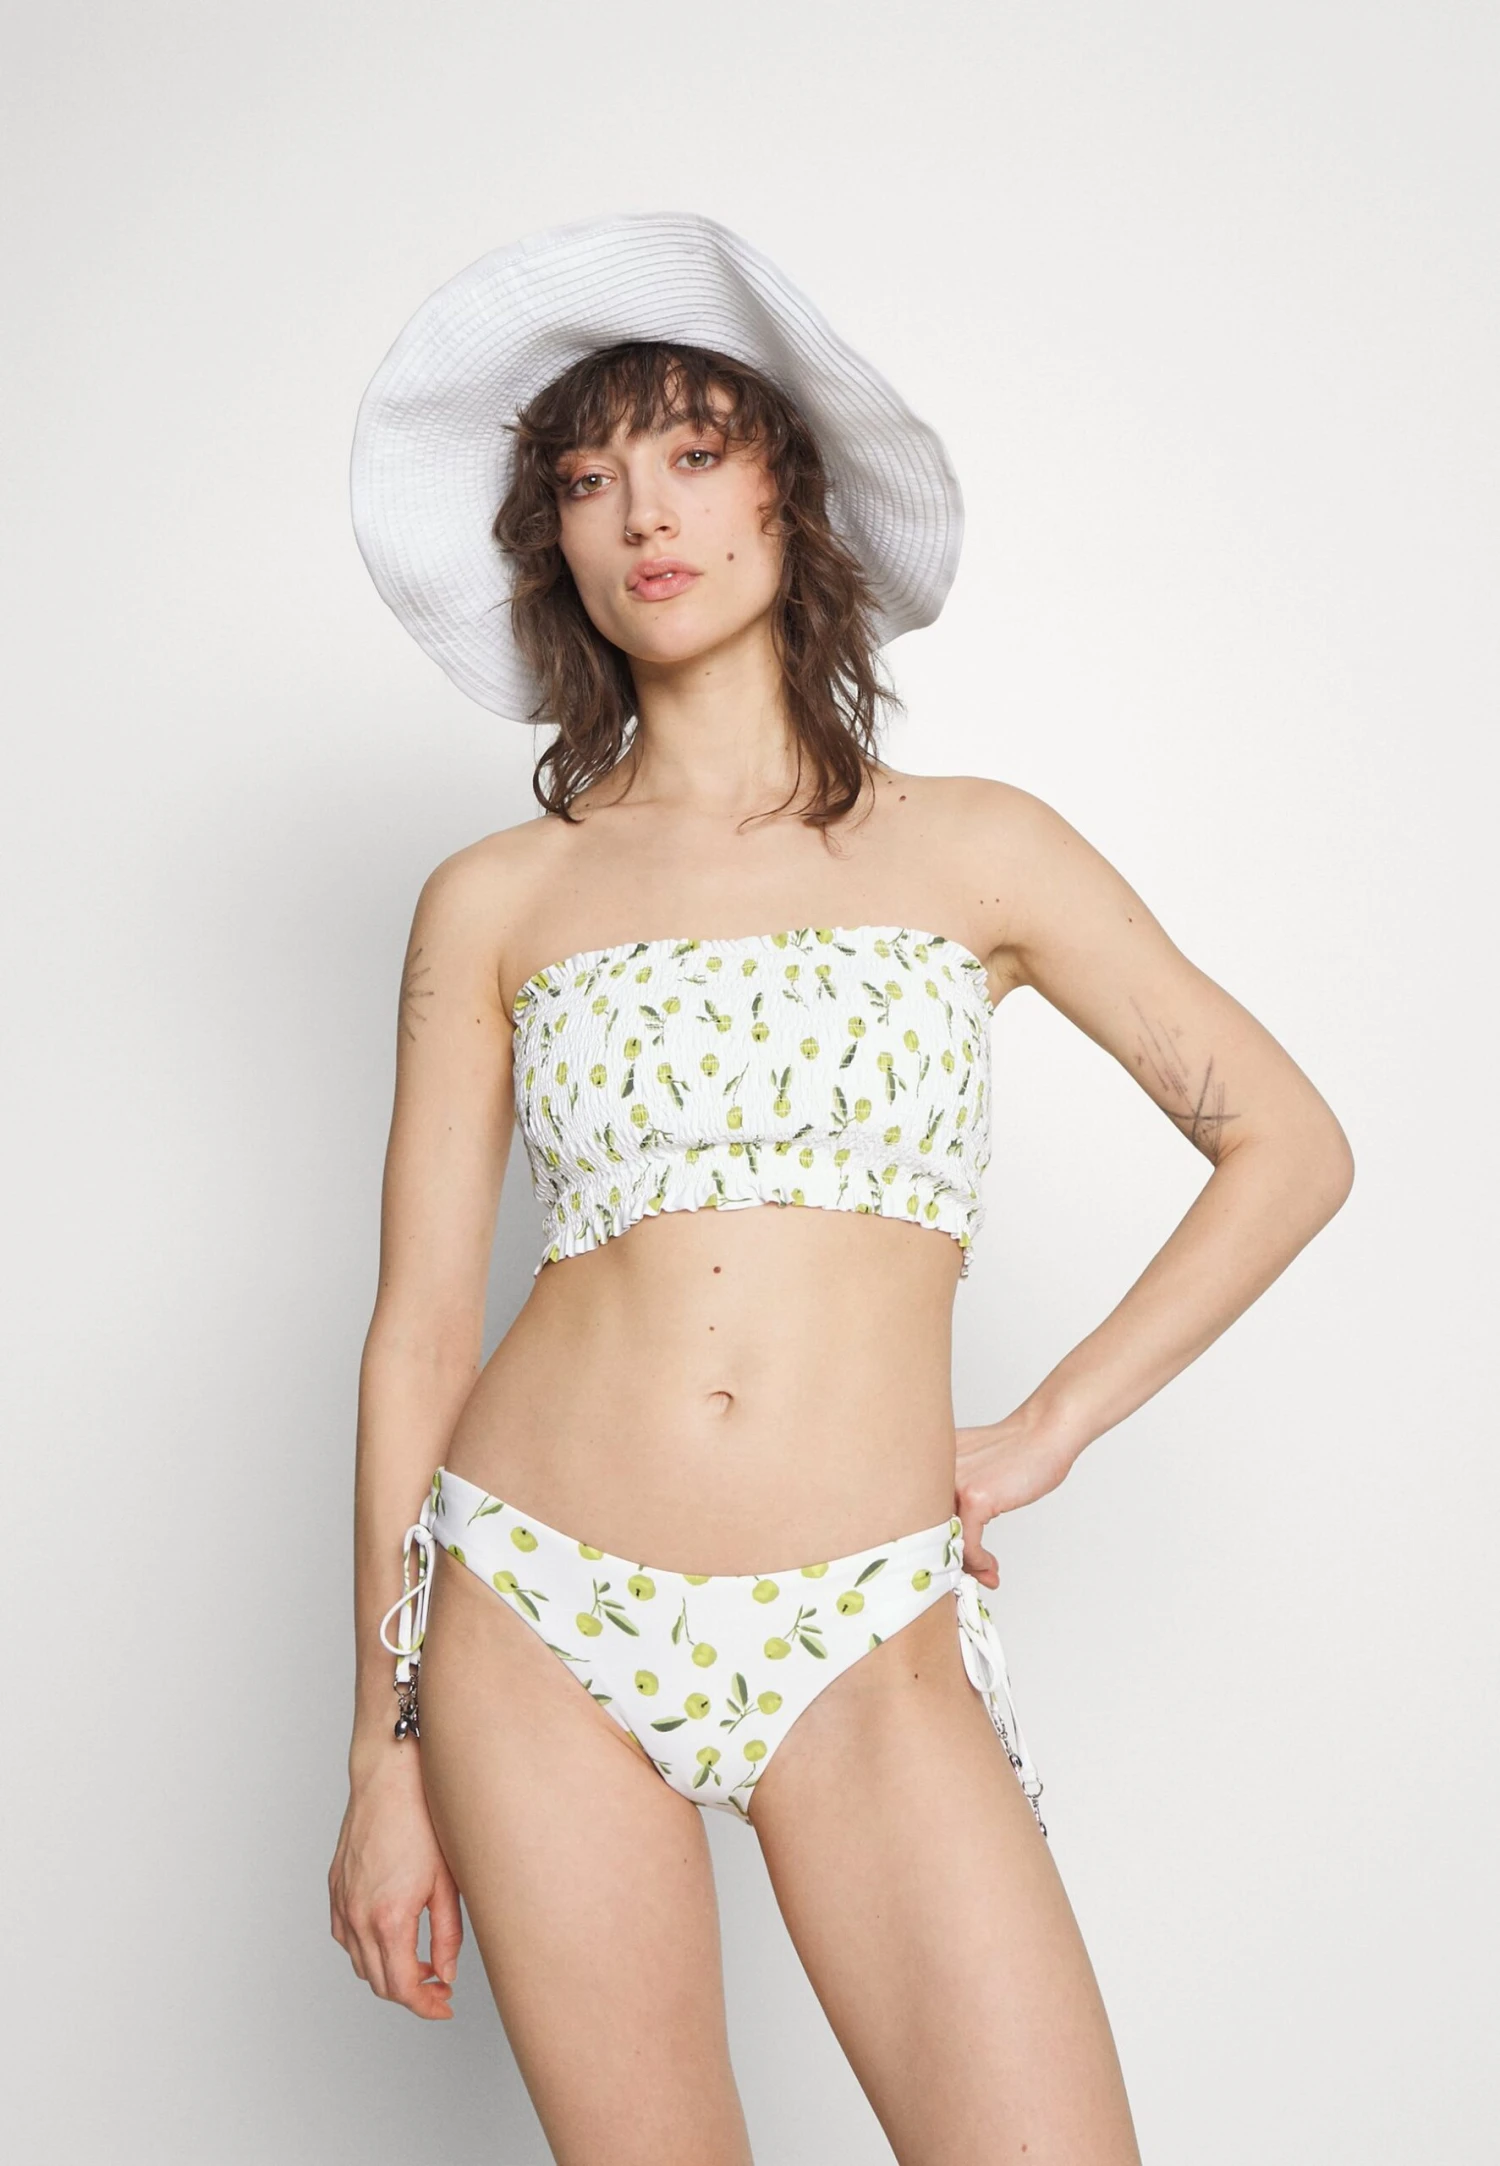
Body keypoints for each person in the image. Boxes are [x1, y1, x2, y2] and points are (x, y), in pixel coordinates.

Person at [328, 212, 1353, 2165]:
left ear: (787, 494)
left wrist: (1048, 1426)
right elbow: (416, 1336)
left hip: (861, 1624)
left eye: (694, 453)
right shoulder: (497, 899)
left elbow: (1288, 1145)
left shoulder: (978, 850)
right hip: (534, 1610)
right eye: (588, 479)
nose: (646, 511)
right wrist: (385, 1763)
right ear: (552, 546)